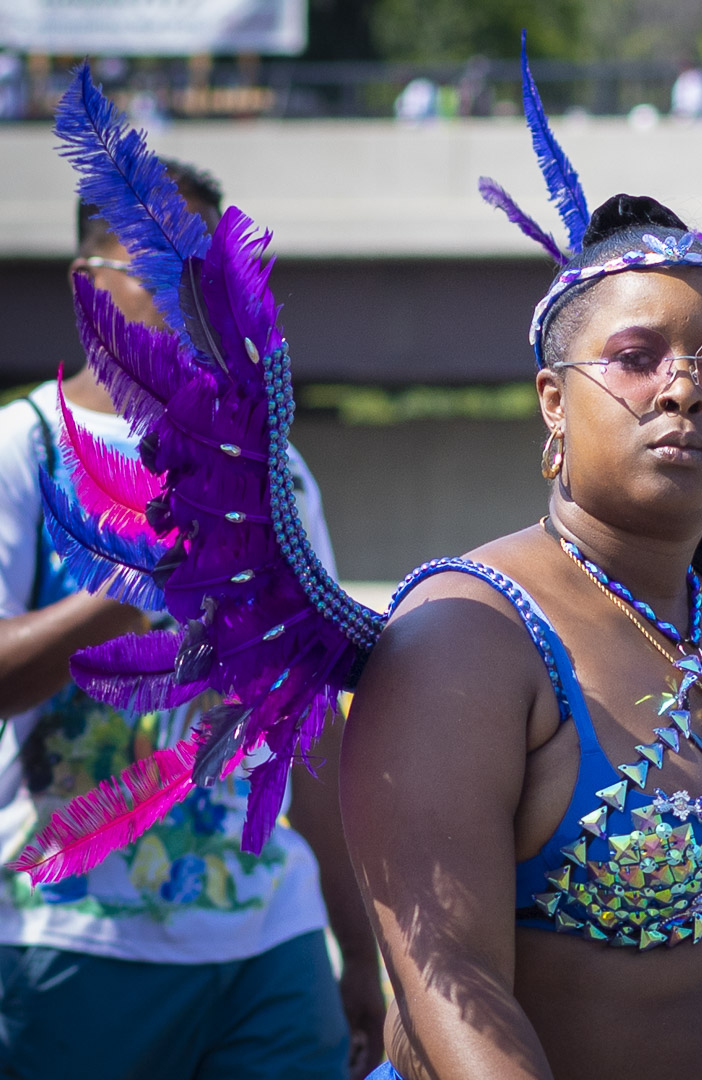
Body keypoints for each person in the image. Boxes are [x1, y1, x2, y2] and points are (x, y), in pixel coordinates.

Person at [19, 54, 702, 1080]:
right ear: (553, 404)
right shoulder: (467, 634)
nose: (684, 388)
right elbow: (454, 1001)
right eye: (637, 358)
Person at [0, 156, 385, 1078]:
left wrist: (357, 944)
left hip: (270, 948)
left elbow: (310, 724)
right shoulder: (28, 447)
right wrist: (133, 579)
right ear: (87, 281)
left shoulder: (278, 474)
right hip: (70, 943)